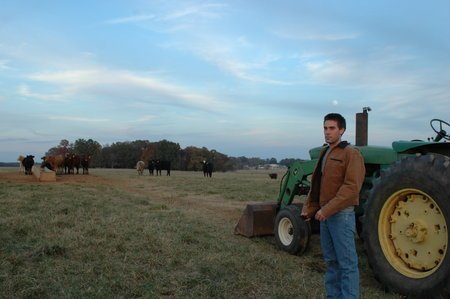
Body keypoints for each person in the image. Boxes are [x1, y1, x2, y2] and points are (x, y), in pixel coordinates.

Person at [301, 113, 365, 299]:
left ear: (342, 130)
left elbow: (351, 189)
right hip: (325, 216)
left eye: (332, 128)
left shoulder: (351, 153)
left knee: (347, 264)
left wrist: (326, 210)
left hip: (341, 216)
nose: (327, 132)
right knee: (331, 262)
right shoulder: (325, 152)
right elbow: (318, 184)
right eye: (325, 128)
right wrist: (310, 209)